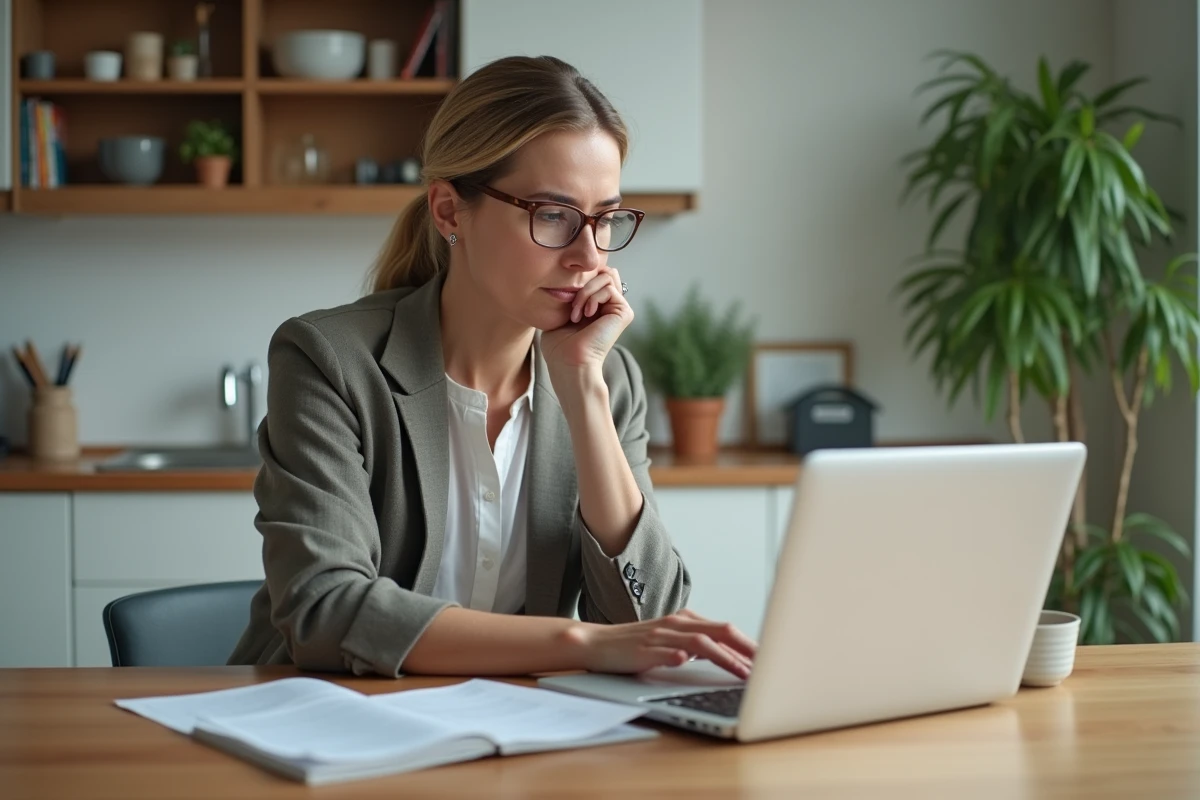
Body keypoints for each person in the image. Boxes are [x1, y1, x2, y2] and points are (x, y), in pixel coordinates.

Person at [228, 55, 756, 679]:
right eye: (553, 215)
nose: (588, 255)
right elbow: (324, 611)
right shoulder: (330, 360)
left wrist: (583, 390)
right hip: (332, 727)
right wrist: (576, 644)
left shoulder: (609, 379)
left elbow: (646, 616)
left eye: (606, 218)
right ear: (450, 212)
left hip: (519, 736)